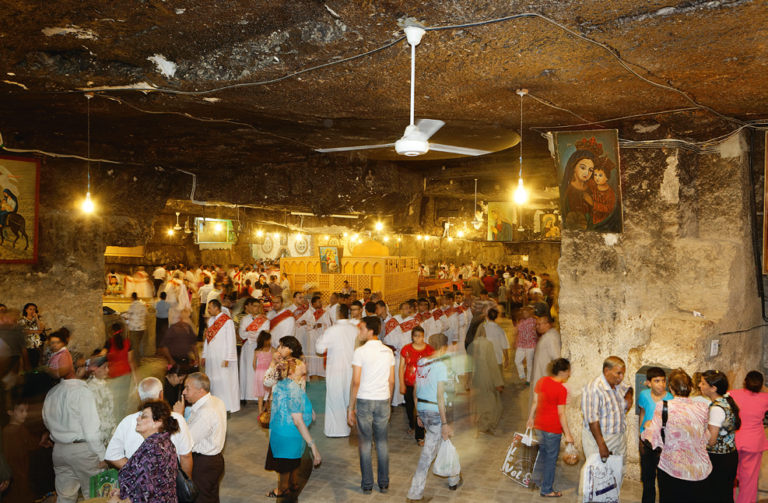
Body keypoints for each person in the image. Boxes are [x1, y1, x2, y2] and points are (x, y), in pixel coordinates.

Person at [641, 368, 711, 503]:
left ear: (671, 388)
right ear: (690, 387)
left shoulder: (663, 406)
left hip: (672, 467)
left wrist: (647, 427)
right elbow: (705, 436)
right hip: (698, 468)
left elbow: (653, 438)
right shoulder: (703, 407)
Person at [406, 333, 460, 501]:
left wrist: (418, 414)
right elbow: (440, 396)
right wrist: (445, 422)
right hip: (435, 412)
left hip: (422, 407)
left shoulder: (421, 363)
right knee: (427, 454)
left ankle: (453, 478)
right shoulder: (441, 366)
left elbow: (415, 391)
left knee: (445, 442)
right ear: (443, 348)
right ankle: (415, 493)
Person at [106, 377, 193, 478]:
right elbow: (185, 456)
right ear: (161, 394)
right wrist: (187, 483)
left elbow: (112, 455)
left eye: (144, 416)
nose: (139, 419)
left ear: (139, 396)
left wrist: (136, 472)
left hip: (138, 486)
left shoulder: (127, 421)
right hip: (169, 483)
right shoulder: (177, 419)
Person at [42, 369, 106, 502]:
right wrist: (102, 455)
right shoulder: (83, 392)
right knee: (94, 496)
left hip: (59, 449)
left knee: (65, 497)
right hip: (82, 450)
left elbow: (46, 421)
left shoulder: (52, 392)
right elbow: (90, 430)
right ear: (79, 369)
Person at [348, 316, 395, 495]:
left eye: (361, 329)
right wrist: (389, 404)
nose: (359, 332)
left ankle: (367, 484)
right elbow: (391, 381)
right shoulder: (388, 352)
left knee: (365, 444)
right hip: (383, 400)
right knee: (382, 444)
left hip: (365, 400)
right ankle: (383, 483)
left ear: (371, 331)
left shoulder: (360, 352)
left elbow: (356, 382)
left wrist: (350, 406)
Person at [264, 352, 321, 498]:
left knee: (291, 461)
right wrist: (313, 445)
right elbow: (297, 420)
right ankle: (283, 489)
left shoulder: (286, 384)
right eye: (300, 363)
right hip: (288, 434)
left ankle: (293, 483)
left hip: (283, 432)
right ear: (292, 370)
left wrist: (310, 409)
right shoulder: (292, 388)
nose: (304, 364)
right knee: (286, 463)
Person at [108, 400, 179, 503]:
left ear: (157, 422)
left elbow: (142, 496)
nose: (138, 418)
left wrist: (118, 502)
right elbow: (155, 483)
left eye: (144, 416)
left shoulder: (152, 448)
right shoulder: (164, 441)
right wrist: (124, 490)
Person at [580, 356, 634, 491]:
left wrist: (629, 395)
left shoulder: (616, 383)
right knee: (598, 474)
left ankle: (612, 497)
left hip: (619, 436)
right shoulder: (594, 388)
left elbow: (628, 386)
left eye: (623, 373)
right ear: (606, 371)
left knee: (618, 470)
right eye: (618, 373)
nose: (621, 377)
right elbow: (592, 419)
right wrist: (601, 445)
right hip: (601, 438)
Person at [172, 373, 227, 503]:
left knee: (201, 499)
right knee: (210, 497)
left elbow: (186, 441)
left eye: (187, 388)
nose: (184, 392)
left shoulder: (204, 412)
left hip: (203, 464)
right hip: (214, 460)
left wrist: (178, 416)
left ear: (200, 390)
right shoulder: (216, 401)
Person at [526, 358, 574, 498]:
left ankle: (534, 480)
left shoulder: (541, 381)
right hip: (553, 429)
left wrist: (530, 418)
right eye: (567, 371)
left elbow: (535, 401)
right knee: (551, 459)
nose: (569, 374)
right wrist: (568, 434)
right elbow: (561, 413)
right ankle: (547, 489)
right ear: (561, 372)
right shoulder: (561, 390)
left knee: (542, 453)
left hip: (539, 425)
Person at [315, 304, 357, 437]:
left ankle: (336, 430)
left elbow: (319, 349)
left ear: (337, 314)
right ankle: (350, 426)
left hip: (335, 369)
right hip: (352, 368)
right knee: (349, 397)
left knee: (335, 398)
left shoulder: (332, 330)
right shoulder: (355, 329)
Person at [699, 370, 740, 503]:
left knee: (715, 496)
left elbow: (711, 441)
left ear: (713, 388)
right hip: (728, 456)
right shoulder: (725, 400)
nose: (699, 385)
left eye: (703, 383)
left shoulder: (716, 409)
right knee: (724, 495)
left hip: (719, 459)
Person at [636, 367, 673, 503]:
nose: (661, 385)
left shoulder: (670, 398)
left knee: (664, 479)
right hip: (647, 441)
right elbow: (642, 413)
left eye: (663, 381)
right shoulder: (644, 395)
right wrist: (640, 435)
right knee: (647, 478)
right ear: (648, 383)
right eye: (657, 381)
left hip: (663, 444)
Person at [730, 371, 768, 503]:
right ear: (760, 384)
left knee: (730, 477)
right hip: (754, 443)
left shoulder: (733, 394)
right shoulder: (765, 398)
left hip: (735, 440)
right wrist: (763, 388)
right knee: (749, 480)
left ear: (745, 381)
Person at [3, 400, 52, 503]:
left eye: (26, 411)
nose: (25, 414)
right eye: (21, 411)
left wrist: (42, 442)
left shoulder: (21, 428)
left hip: (23, 477)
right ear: (10, 412)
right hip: (15, 480)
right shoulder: (8, 432)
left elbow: (30, 443)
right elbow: (11, 459)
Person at [467, 315, 503, 436]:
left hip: (476, 379)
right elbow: (492, 365)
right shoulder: (488, 344)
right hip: (487, 378)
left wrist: (468, 380)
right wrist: (498, 383)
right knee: (491, 403)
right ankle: (485, 426)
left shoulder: (471, 345)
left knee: (481, 402)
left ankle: (481, 425)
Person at [202, 299, 240, 413]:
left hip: (223, 357)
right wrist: (204, 355)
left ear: (216, 308)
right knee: (213, 379)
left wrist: (229, 357)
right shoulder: (210, 321)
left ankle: (227, 405)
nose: (208, 310)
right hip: (212, 356)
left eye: (209, 308)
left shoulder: (227, 321)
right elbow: (206, 339)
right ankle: (214, 403)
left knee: (225, 381)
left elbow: (231, 340)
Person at [400, 326, 434, 446]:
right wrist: (401, 383)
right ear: (412, 336)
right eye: (415, 335)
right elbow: (401, 367)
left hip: (423, 384)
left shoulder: (429, 349)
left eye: (420, 335)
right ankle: (412, 424)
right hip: (409, 383)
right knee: (409, 407)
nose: (417, 338)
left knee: (421, 408)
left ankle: (420, 436)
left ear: (424, 336)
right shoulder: (406, 349)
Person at [238, 298, 269, 403]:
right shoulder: (244, 319)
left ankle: (261, 396)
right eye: (254, 306)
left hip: (260, 348)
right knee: (246, 370)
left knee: (259, 371)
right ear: (250, 307)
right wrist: (253, 333)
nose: (256, 308)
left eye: (258, 306)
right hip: (247, 348)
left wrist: (250, 333)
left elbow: (263, 335)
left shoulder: (265, 320)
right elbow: (241, 334)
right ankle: (245, 395)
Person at [529, 314, 561, 408]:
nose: (537, 327)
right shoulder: (548, 335)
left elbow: (556, 357)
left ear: (547, 324)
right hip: (541, 374)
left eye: (539, 324)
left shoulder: (550, 337)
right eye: (537, 324)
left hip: (544, 375)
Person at [251, 332, 274, 416]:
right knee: (270, 393)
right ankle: (267, 411)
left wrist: (257, 372)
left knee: (260, 396)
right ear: (267, 340)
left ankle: (260, 414)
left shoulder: (257, 350)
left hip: (259, 372)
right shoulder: (272, 349)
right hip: (269, 372)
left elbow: (253, 364)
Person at [481, 308, 509, 375]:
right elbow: (504, 346)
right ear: (496, 317)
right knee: (498, 381)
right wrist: (507, 359)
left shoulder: (483, 328)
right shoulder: (500, 330)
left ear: (487, 316)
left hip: (486, 360)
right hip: (498, 360)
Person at [514, 306, 536, 384]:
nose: (525, 314)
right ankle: (522, 375)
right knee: (517, 361)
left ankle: (529, 380)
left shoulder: (534, 321)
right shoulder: (521, 321)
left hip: (530, 345)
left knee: (529, 364)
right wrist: (515, 341)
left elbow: (538, 330)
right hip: (521, 344)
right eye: (523, 313)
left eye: (526, 313)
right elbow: (518, 331)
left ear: (530, 313)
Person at [124, 293, 147, 367]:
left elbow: (127, 316)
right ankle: (136, 361)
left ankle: (137, 363)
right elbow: (146, 314)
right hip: (142, 328)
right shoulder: (142, 305)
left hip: (134, 328)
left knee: (134, 346)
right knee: (137, 345)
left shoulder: (132, 305)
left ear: (132, 298)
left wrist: (124, 316)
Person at [18, 303, 44, 368]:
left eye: (34, 309)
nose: (32, 311)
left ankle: (34, 377)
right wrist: (36, 331)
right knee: (27, 365)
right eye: (30, 309)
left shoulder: (37, 320)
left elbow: (41, 330)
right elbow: (24, 332)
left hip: (36, 346)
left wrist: (36, 318)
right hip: (26, 346)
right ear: (26, 310)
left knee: (36, 364)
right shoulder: (21, 321)